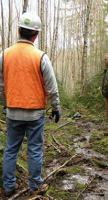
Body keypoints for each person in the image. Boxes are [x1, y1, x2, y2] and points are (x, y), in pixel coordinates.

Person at [0, 12, 60, 197]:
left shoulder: (4, 55)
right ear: (36, 35)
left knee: (11, 150)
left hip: (13, 113)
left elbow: (1, 85)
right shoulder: (41, 56)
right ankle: (35, 187)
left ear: (18, 30)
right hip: (35, 114)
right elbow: (51, 87)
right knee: (34, 150)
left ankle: (8, 187)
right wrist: (56, 107)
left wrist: (5, 104)